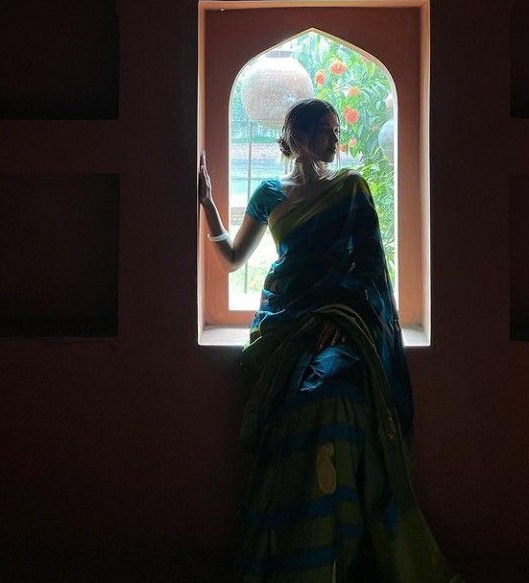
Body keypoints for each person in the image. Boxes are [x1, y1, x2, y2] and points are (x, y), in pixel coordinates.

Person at [198, 98, 463, 582]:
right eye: (324, 130)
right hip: (284, 321)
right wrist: (209, 204)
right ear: (295, 135)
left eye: (336, 130)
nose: (335, 139)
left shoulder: (351, 189)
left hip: (341, 322)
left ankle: (338, 551)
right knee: (294, 410)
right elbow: (234, 259)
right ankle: (295, 550)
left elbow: (368, 269)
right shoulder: (268, 194)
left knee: (332, 394)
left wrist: (344, 316)